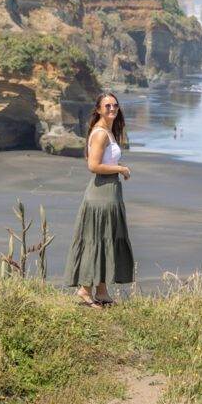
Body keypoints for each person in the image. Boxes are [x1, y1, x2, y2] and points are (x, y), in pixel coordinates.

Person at [62, 91, 135, 307]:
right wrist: (120, 168)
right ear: (98, 110)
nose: (112, 109)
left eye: (115, 105)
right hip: (101, 194)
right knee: (97, 240)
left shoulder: (107, 131)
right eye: (107, 106)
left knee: (106, 239)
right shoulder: (101, 133)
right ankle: (85, 291)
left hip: (109, 193)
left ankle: (101, 291)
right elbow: (93, 166)